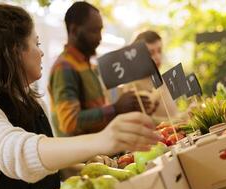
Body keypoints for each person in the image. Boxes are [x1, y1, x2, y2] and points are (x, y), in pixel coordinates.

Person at [0, 4, 161, 189]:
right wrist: (104, 139)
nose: (41, 52)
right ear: (14, 51)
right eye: (36, 43)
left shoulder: (30, 101)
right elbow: (19, 156)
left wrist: (83, 166)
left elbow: (44, 167)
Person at [48, 1, 152, 137]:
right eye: (94, 31)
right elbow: (69, 123)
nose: (100, 38)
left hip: (102, 152)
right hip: (84, 157)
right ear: (74, 30)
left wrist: (131, 109)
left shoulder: (89, 66)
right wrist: (116, 108)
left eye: (101, 30)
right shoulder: (64, 67)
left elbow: (100, 116)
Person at [123, 30, 180, 120]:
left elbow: (174, 113)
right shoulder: (133, 85)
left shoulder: (164, 80)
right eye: (151, 53)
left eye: (159, 51)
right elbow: (142, 121)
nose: (157, 57)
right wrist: (178, 120)